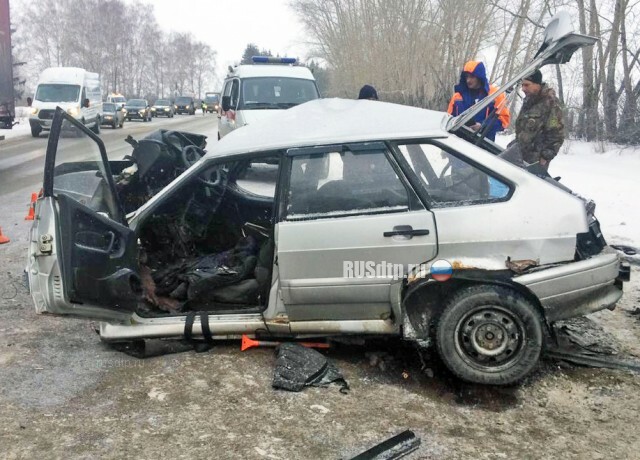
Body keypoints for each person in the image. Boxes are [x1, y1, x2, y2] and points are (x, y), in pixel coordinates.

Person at [513, 70, 565, 170]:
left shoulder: (551, 104)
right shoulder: (529, 100)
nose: (523, 89)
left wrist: (545, 157)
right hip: (519, 155)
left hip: (535, 161)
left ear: (537, 84)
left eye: (527, 85)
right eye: (522, 85)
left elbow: (556, 134)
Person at [447, 60, 510, 141]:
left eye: (472, 77)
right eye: (466, 77)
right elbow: (448, 119)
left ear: (479, 77)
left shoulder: (495, 94)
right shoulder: (457, 96)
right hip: (455, 143)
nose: (468, 80)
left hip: (482, 145)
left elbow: (504, 120)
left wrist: (482, 126)